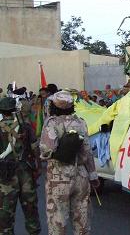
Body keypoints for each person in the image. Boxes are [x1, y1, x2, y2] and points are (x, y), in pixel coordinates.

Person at [40, 91, 99, 235]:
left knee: (57, 220)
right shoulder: (81, 122)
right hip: (81, 175)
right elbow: (87, 152)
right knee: (82, 221)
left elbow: (47, 151)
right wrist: (93, 176)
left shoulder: (52, 123)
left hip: (59, 177)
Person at [0, 97, 41, 235]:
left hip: (5, 176)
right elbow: (35, 148)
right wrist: (38, 167)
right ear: (14, 110)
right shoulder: (25, 125)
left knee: (5, 213)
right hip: (25, 172)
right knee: (31, 209)